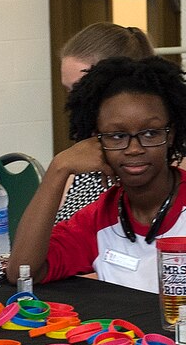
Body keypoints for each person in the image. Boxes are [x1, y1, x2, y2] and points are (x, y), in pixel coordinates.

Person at [9, 56, 186, 310]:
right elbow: (23, 271)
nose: (134, 148)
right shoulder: (104, 214)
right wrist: (59, 168)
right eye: (116, 136)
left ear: (172, 135)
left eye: (150, 133)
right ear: (95, 141)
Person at [56, 23, 156, 221]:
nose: (72, 102)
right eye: (68, 91)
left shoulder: (160, 155)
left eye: (80, 89)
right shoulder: (85, 152)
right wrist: (59, 169)